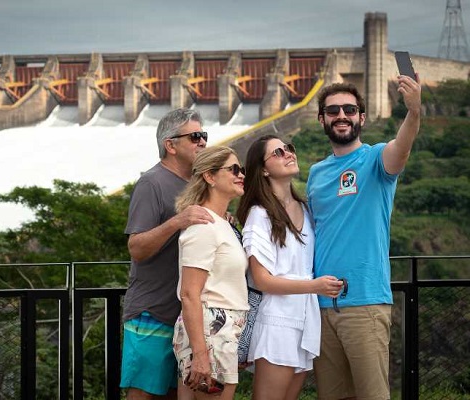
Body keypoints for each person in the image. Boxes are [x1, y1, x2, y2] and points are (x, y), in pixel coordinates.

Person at [307, 76, 421, 399]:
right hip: (321, 306)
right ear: (322, 119)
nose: (341, 115)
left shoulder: (376, 159)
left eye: (349, 109)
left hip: (365, 302)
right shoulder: (316, 173)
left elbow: (401, 149)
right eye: (333, 111)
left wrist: (413, 113)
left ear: (361, 117)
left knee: (372, 395)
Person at [236, 135, 343, 400]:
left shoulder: (305, 209)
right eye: (278, 153)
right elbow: (261, 280)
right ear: (263, 169)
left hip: (305, 318)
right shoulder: (259, 214)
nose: (288, 154)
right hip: (276, 321)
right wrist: (315, 286)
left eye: (289, 149)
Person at [121, 108, 215, 400]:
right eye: (194, 136)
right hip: (153, 313)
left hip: (187, 316)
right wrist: (178, 220)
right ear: (170, 145)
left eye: (204, 136)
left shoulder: (199, 185)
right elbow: (136, 248)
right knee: (145, 395)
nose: (202, 142)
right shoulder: (153, 182)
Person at [172, 146, 248, 400]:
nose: (241, 175)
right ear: (209, 176)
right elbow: (189, 293)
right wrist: (201, 354)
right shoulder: (204, 227)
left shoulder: (219, 223)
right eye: (233, 169)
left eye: (242, 170)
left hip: (218, 332)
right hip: (209, 332)